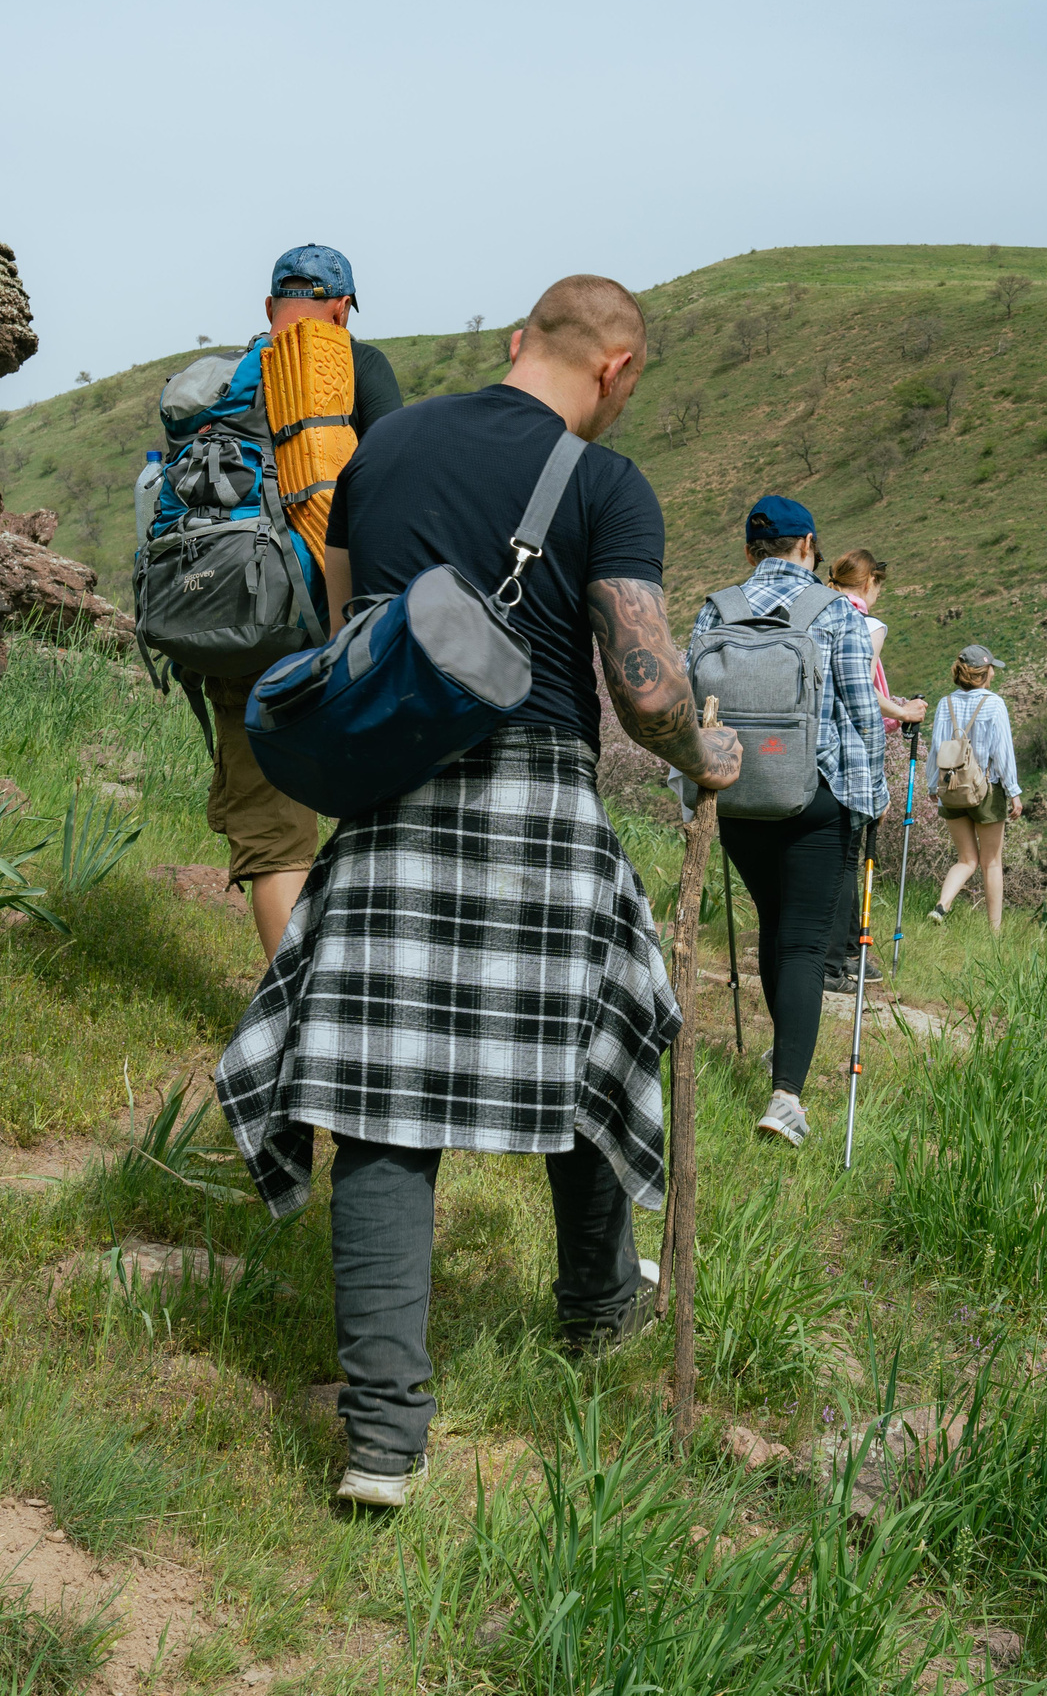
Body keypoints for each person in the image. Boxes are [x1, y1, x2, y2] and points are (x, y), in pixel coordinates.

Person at [214, 275, 740, 1510]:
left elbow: (349, 630)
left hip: (395, 795)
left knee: (382, 1107)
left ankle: (382, 1444)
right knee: (596, 1049)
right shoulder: (605, 484)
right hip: (536, 796)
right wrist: (701, 757)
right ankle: (599, 1315)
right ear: (614, 369)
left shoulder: (379, 448)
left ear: (519, 344)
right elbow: (649, 688)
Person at [698, 500, 925, 1147]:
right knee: (801, 940)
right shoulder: (834, 611)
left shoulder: (716, 608)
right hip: (814, 798)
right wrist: (871, 795)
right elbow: (860, 710)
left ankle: (783, 1055)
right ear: (809, 547)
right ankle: (787, 1096)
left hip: (739, 795)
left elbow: (694, 700)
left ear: (750, 551)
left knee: (775, 924)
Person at [208, 245, 407, 960]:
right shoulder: (360, 365)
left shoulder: (227, 380)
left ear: (269, 308)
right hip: (333, 623)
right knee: (379, 808)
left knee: (274, 835)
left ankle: (287, 1007)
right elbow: (391, 486)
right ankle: (368, 987)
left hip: (233, 623)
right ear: (341, 307)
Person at [824, 549, 916, 988]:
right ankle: (840, 956)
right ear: (869, 583)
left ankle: (838, 951)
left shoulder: (815, 610)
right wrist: (904, 710)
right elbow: (860, 686)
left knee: (831, 856)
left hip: (812, 749)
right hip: (852, 753)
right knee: (846, 859)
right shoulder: (867, 624)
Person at [925, 647, 1021, 933]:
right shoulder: (994, 703)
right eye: (992, 668)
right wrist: (1013, 791)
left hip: (952, 789)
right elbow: (1002, 752)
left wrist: (933, 784)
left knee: (966, 859)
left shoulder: (945, 703)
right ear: (983, 672)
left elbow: (936, 747)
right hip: (986, 790)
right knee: (991, 863)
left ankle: (942, 905)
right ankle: (994, 931)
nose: (994, 673)